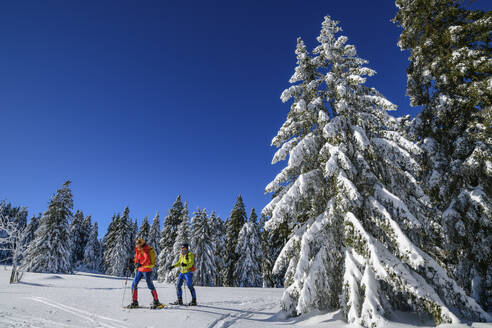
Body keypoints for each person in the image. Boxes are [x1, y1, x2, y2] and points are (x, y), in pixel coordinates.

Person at [128, 238, 161, 308]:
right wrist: (133, 261)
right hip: (140, 270)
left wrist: (141, 264)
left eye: (138, 243)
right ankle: (134, 302)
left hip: (147, 270)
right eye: (136, 243)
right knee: (134, 284)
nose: (136, 244)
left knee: (149, 285)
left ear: (141, 244)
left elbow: (147, 259)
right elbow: (138, 260)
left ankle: (156, 300)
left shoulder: (145, 250)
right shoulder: (138, 250)